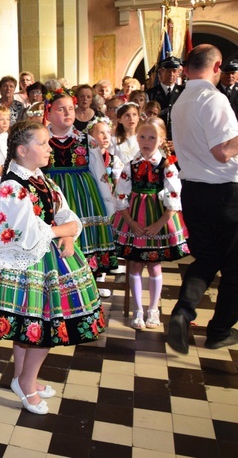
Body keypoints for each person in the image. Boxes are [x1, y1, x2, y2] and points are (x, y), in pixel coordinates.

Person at [0, 120, 105, 415]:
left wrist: (70, 229)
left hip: (46, 258)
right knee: (41, 326)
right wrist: (65, 231)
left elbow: (62, 210)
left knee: (30, 326)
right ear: (22, 150)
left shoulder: (40, 178)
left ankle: (22, 379)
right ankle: (26, 382)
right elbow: (27, 232)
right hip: (27, 263)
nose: (49, 148)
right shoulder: (11, 186)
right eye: (43, 143)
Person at [167, 44, 238, 354]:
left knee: (208, 258)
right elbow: (222, 152)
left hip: (193, 191)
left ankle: (183, 311)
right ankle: (220, 331)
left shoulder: (181, 100)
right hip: (224, 193)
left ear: (186, 68)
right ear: (217, 65)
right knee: (235, 267)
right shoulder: (213, 98)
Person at [112, 117, 189, 330]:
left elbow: (174, 198)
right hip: (135, 218)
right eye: (142, 137)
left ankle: (153, 309)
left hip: (157, 218)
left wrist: (159, 224)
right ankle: (138, 309)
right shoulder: (131, 165)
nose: (146, 141)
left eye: (152, 137)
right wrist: (129, 221)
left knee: (154, 266)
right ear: (136, 138)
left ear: (162, 139)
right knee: (135, 264)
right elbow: (120, 195)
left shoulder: (167, 165)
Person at [43, 89, 118, 281]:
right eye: (61, 109)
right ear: (49, 113)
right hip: (53, 198)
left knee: (85, 245)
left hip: (84, 197)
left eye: (70, 108)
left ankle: (88, 288)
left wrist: (109, 207)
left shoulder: (87, 140)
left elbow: (100, 175)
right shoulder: (41, 141)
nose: (68, 113)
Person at [146, 56, 184, 139]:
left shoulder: (183, 92)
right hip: (156, 137)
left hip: (178, 138)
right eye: (168, 71)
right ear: (161, 72)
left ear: (178, 72)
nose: (171, 74)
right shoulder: (151, 94)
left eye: (174, 71)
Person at [113, 102, 141, 166]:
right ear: (119, 120)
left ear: (138, 118)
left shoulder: (143, 138)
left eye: (134, 115)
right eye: (127, 115)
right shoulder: (114, 140)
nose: (131, 118)